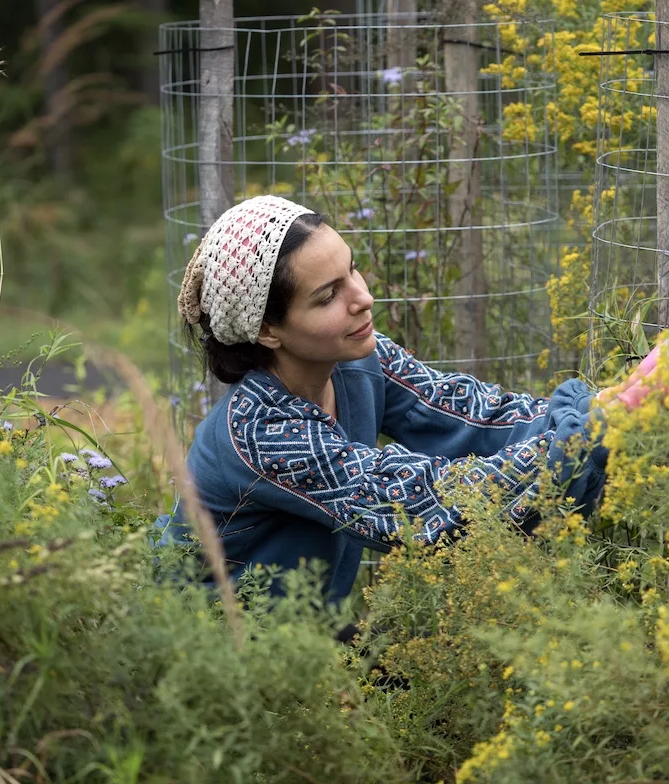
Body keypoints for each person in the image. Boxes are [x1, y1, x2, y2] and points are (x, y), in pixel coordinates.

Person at [154, 195, 614, 601]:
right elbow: (421, 502)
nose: (363, 298)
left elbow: (477, 417)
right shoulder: (260, 433)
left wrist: (608, 406)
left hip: (303, 640)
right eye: (328, 296)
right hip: (215, 655)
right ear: (268, 330)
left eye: (351, 268)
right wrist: (592, 433)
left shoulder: (357, 360)